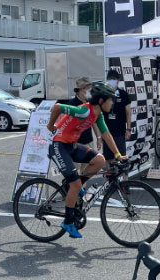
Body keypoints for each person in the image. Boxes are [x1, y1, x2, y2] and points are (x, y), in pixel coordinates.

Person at [47, 81, 125, 239]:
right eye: (110, 100)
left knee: (99, 160)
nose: (112, 103)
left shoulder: (97, 114)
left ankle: (75, 186)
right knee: (75, 185)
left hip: (71, 145)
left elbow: (106, 134)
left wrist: (118, 155)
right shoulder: (84, 111)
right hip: (59, 146)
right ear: (101, 100)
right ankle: (68, 222)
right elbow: (57, 107)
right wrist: (51, 126)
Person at [102, 69, 132, 167]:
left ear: (118, 80)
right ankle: (110, 176)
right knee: (108, 159)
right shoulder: (104, 94)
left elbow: (128, 112)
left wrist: (128, 129)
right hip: (107, 131)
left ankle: (124, 176)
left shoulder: (123, 94)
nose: (112, 81)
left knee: (122, 158)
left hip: (120, 131)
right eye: (110, 79)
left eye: (114, 79)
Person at [68, 77, 102, 156]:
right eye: (87, 88)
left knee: (90, 162)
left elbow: (94, 122)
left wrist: (98, 138)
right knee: (76, 163)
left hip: (88, 141)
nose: (89, 91)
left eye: (89, 88)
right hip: (75, 142)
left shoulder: (91, 103)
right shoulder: (72, 104)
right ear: (80, 89)